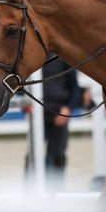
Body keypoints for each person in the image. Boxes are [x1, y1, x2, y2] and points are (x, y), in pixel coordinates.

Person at [42, 55, 81, 192]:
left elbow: (75, 88)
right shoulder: (31, 54)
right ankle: (31, 188)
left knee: (58, 154)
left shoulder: (64, 57)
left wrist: (67, 108)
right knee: (32, 155)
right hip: (38, 112)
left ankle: (58, 189)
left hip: (60, 111)